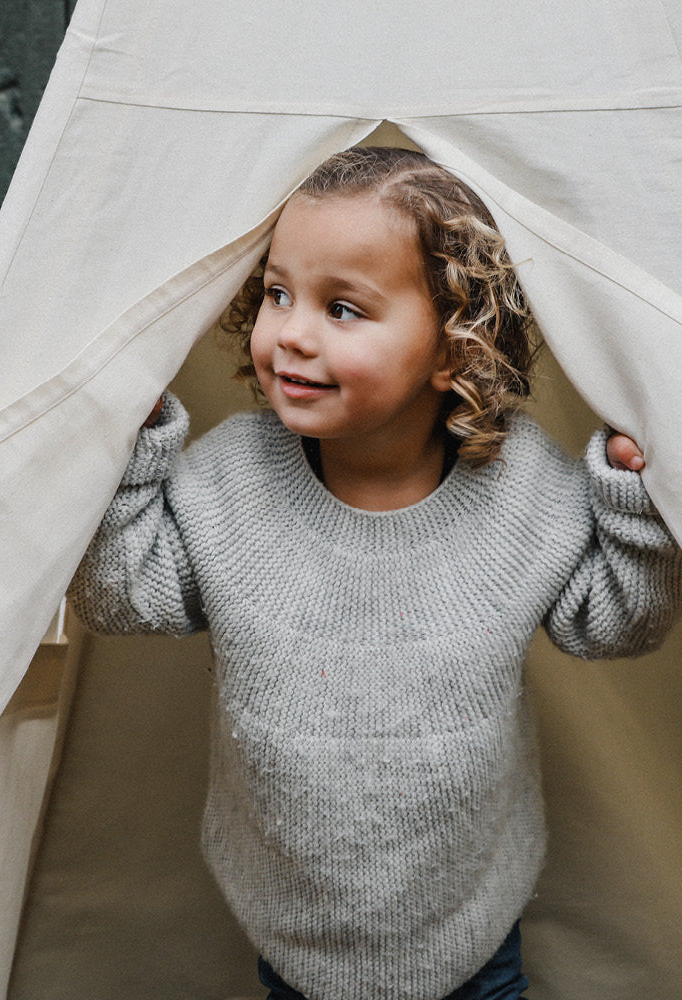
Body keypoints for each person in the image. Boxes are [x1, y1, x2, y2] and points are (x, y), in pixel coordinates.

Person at [68, 147, 682, 1000]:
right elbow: (123, 597)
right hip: (293, 934)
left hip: (473, 929)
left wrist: (633, 502)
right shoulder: (231, 477)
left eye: (343, 308)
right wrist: (130, 450)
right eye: (277, 293)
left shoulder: (525, 489)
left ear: (454, 345)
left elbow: (613, 625)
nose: (292, 333)